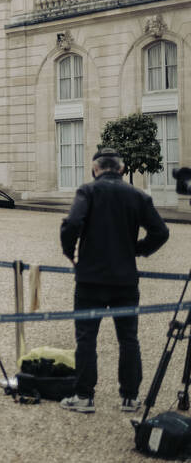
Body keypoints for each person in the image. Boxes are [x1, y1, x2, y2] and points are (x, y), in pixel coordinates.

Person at [58, 148, 169, 414]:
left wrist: (70, 252)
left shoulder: (87, 191)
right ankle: (130, 397)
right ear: (121, 169)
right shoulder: (137, 195)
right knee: (128, 338)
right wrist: (137, 249)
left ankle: (84, 396)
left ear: (95, 169)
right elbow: (161, 232)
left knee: (86, 339)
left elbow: (72, 223)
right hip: (124, 278)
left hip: (90, 279)